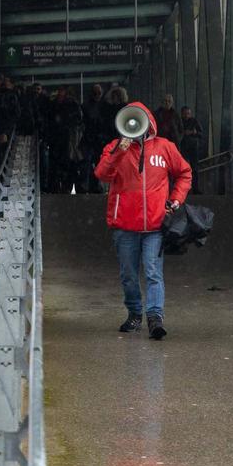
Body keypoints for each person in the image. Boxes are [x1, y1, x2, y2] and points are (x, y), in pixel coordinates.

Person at [93, 103, 192, 340]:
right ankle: (135, 313)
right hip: (125, 225)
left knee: (152, 271)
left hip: (155, 225)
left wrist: (175, 200)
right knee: (128, 274)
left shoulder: (164, 147)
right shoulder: (115, 148)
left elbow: (184, 173)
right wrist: (120, 150)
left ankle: (155, 317)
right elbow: (102, 174)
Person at [178, 106, 203, 193]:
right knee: (183, 169)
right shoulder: (179, 121)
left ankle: (195, 188)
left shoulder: (194, 121)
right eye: (185, 114)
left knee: (194, 168)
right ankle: (184, 188)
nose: (186, 115)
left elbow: (201, 134)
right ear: (182, 114)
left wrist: (193, 132)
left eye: (188, 113)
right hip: (183, 147)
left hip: (193, 147)